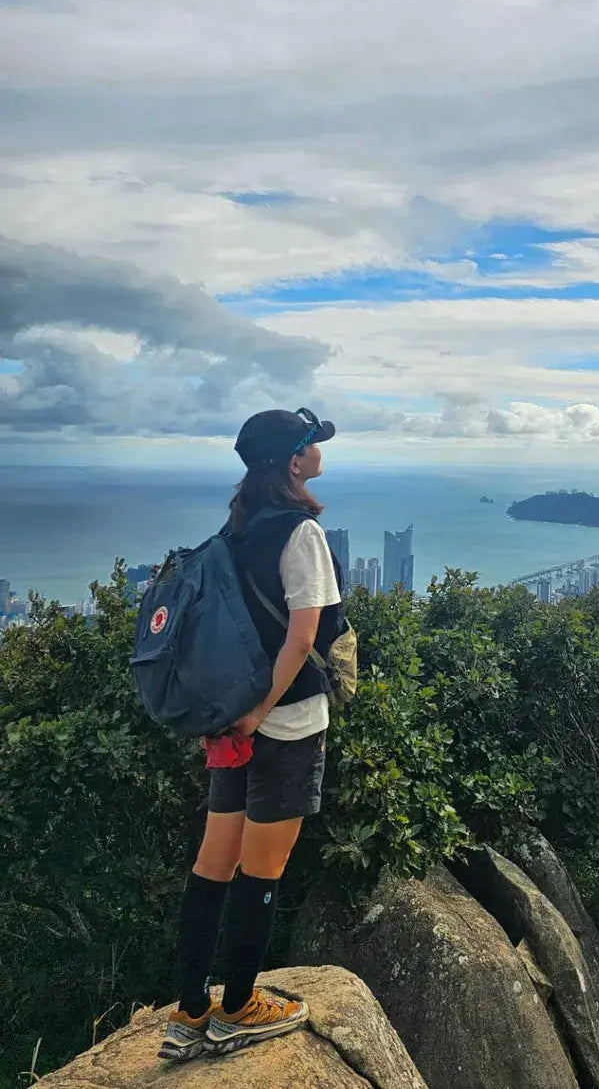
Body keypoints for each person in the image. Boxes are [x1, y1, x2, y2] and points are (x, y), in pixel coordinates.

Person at [159, 407, 343, 1061]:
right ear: (292, 462)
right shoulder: (300, 533)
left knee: (214, 861)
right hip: (283, 724)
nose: (319, 451)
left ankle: (189, 1011)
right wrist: (261, 710)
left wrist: (238, 713)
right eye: (311, 444)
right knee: (262, 868)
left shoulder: (235, 527)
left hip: (229, 722)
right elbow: (303, 636)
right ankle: (237, 1007)